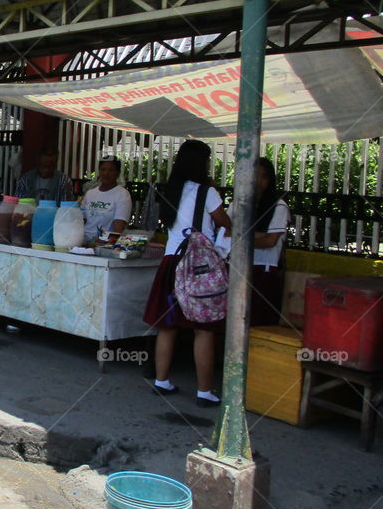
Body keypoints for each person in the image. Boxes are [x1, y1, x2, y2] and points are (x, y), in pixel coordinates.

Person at [142, 139, 232, 408]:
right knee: (203, 329)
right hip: (197, 268)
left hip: (171, 263)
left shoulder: (170, 190)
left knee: (167, 326)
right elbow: (226, 224)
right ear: (201, 163)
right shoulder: (208, 193)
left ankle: (161, 380)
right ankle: (204, 391)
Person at [226, 157, 290, 326]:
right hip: (236, 266)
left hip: (264, 269)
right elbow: (225, 232)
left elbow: (271, 241)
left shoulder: (279, 206)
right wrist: (258, 235)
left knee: (259, 320)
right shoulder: (237, 204)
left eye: (264, 177)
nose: (258, 181)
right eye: (255, 175)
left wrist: (240, 236)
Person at [81, 156, 132, 245]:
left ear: (118, 173)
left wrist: (104, 245)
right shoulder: (90, 194)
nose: (106, 173)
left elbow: (118, 229)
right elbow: (81, 220)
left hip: (103, 244)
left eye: (111, 170)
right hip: (82, 242)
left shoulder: (123, 194)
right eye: (103, 169)